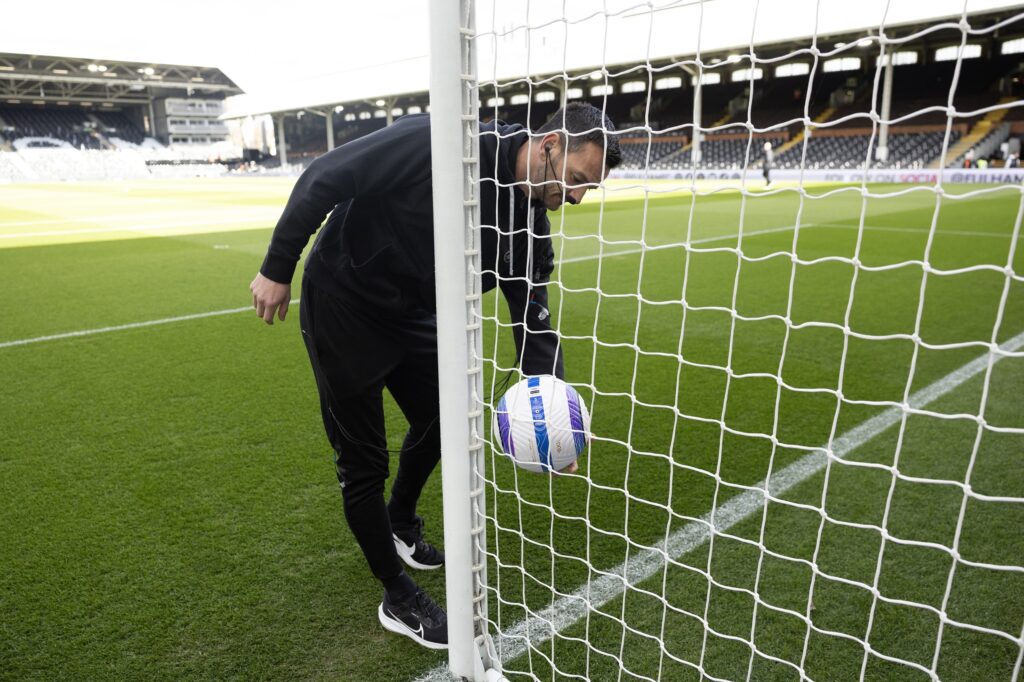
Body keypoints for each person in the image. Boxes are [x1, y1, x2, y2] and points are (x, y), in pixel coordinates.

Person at [249, 102, 621, 650]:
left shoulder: (529, 229)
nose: (577, 197)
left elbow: (533, 325)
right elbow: (325, 175)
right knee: (363, 462)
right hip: (345, 300)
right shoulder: (442, 144)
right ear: (549, 146)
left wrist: (552, 414)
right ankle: (397, 597)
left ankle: (400, 519)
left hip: (412, 315)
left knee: (449, 415)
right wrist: (278, 267)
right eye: (577, 179)